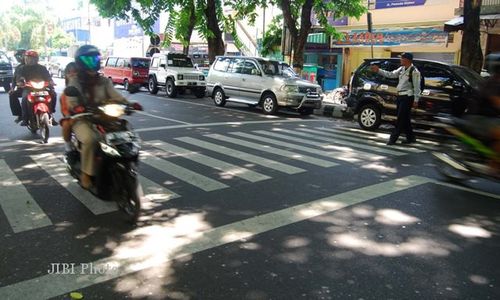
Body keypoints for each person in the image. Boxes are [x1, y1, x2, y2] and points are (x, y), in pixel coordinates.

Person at [63, 45, 141, 189]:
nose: (92, 63)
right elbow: (71, 102)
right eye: (88, 60)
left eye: (95, 59)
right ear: (80, 62)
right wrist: (76, 107)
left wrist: (130, 104)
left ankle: (124, 163)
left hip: (105, 116)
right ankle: (86, 173)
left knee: (126, 132)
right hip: (83, 118)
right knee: (90, 139)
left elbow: (116, 96)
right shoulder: (75, 81)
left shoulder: (104, 81)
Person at [371, 53, 421, 145]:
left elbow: (417, 87)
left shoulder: (414, 72)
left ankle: (393, 139)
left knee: (400, 119)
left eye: (402, 58)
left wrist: (416, 100)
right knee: (405, 119)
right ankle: (411, 138)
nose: (400, 60)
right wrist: (379, 70)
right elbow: (391, 74)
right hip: (400, 96)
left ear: (407, 60)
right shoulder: (401, 69)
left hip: (408, 97)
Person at [18, 50, 58, 126]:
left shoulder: (42, 68)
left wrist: (51, 82)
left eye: (31, 58)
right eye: (27, 58)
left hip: (42, 87)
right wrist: (20, 82)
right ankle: (25, 118)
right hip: (28, 88)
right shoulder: (22, 68)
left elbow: (48, 77)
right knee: (24, 98)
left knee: (53, 94)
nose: (29, 60)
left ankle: (51, 114)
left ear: (36, 59)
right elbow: (20, 77)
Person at [60, 62, 78, 152]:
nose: (72, 74)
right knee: (66, 124)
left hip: (90, 114)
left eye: (75, 72)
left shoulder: (88, 88)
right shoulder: (65, 93)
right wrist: (68, 114)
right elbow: (65, 109)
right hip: (74, 116)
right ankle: (68, 147)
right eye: (69, 72)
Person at [8, 49, 26, 123]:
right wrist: (12, 88)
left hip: (38, 88)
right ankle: (20, 114)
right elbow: (14, 79)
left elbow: (46, 76)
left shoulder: (39, 67)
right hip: (24, 88)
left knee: (52, 94)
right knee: (12, 94)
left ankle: (50, 114)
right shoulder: (19, 68)